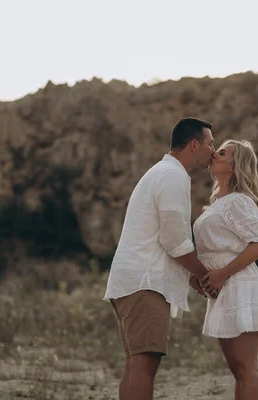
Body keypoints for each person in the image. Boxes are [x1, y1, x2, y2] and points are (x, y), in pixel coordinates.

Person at [104, 117, 216, 400]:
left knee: (136, 363)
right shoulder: (173, 175)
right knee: (144, 363)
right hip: (146, 283)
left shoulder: (162, 172)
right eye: (210, 144)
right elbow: (174, 238)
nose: (213, 151)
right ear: (194, 144)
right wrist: (204, 275)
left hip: (134, 280)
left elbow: (167, 237)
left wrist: (192, 278)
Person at [195, 139, 258, 400]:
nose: (214, 153)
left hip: (238, 284)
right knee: (237, 369)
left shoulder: (239, 201)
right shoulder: (218, 203)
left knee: (245, 369)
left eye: (222, 152)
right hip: (222, 286)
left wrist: (221, 273)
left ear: (234, 165)